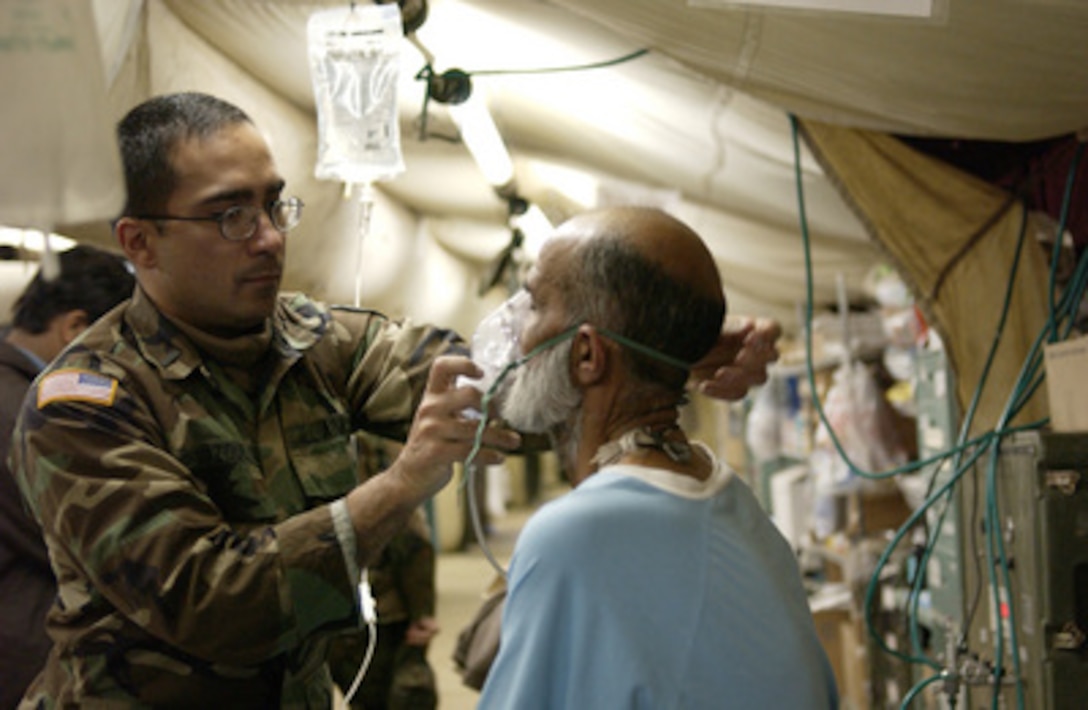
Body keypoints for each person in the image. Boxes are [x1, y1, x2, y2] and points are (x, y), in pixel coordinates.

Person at [8, 91, 777, 709]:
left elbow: (493, 384)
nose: (270, 238)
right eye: (230, 214)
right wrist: (402, 484)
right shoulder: (83, 404)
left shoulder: (314, 340)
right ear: (139, 242)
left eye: (276, 205)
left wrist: (659, 341)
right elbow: (213, 604)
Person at [476, 206, 839, 709]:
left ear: (586, 355)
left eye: (535, 304)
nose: (514, 329)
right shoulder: (732, 500)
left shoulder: (575, 535)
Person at [0, 245, 135, 710]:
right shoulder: (28, 415)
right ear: (75, 328)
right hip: (21, 660)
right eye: (118, 347)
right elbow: (85, 545)